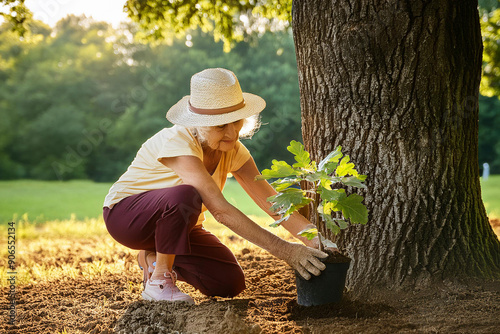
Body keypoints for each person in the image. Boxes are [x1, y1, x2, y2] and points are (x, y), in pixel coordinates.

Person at [103, 68, 328, 304]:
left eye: (236, 122)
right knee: (186, 195)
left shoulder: (233, 150)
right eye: (221, 126)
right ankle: (159, 279)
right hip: (126, 217)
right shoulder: (179, 143)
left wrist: (315, 240)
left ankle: (151, 256)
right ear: (200, 123)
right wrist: (287, 251)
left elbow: (271, 203)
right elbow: (220, 211)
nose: (232, 133)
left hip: (177, 227)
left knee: (228, 283)